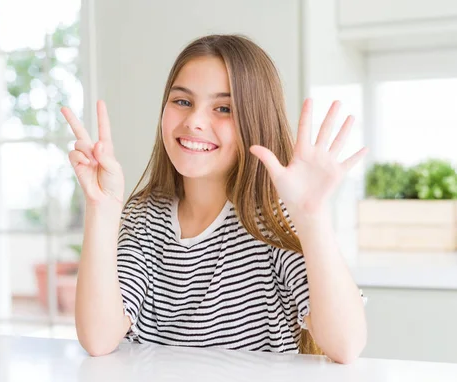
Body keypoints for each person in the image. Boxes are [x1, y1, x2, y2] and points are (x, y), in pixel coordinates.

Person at [61, 34, 367, 364]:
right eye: (182, 101)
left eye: (223, 108)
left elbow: (345, 345)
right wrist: (102, 210)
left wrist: (312, 219)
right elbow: (98, 338)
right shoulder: (145, 217)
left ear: (255, 122)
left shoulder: (274, 218)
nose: (194, 121)